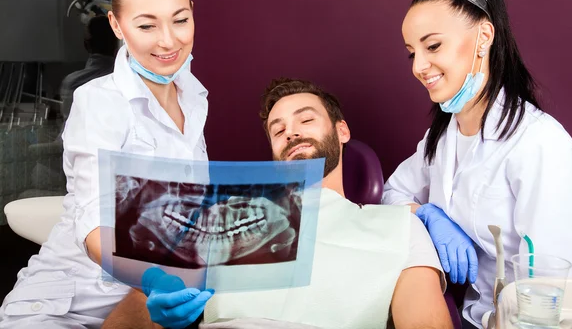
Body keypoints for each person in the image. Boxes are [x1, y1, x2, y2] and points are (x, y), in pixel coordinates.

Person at [103, 78, 452, 329]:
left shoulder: (400, 227)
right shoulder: (224, 218)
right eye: (278, 129)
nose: (291, 132)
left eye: (306, 119)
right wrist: (153, 305)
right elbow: (139, 305)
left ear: (342, 131)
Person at [0, 0, 211, 328]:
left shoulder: (193, 98)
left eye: (181, 19)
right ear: (116, 24)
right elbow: (95, 225)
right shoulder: (100, 100)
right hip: (63, 307)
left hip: (134, 307)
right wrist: (154, 280)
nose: (168, 40)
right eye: (147, 26)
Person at [381, 0, 572, 328]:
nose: (418, 66)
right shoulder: (441, 139)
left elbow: (556, 289)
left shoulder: (538, 143)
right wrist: (428, 215)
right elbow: (392, 192)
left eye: (433, 46)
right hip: (465, 316)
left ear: (484, 37)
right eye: (412, 52)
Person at [60, 15, 120, 120]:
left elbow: (69, 123)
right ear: (117, 43)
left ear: (86, 45)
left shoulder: (72, 82)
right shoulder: (125, 80)